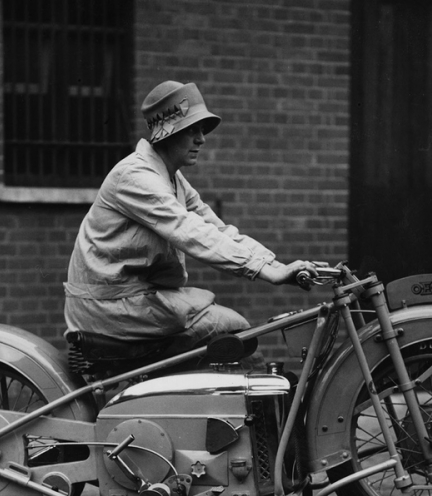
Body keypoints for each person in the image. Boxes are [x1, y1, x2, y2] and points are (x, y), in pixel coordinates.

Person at [64, 80, 319, 359]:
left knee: (234, 335)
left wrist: (276, 266)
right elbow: (188, 230)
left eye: (201, 130)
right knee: (233, 333)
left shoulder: (172, 178)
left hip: (136, 301)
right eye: (192, 130)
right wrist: (266, 272)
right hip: (109, 307)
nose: (202, 139)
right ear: (167, 135)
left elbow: (215, 228)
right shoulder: (135, 177)